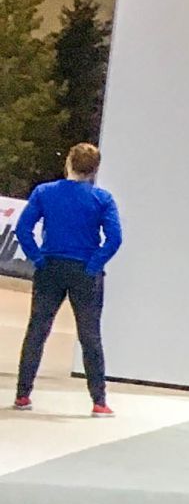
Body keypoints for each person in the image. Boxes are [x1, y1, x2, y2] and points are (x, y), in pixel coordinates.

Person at [15, 142, 123, 417]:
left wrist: (38, 259)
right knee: (90, 336)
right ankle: (99, 401)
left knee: (37, 331)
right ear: (95, 169)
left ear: (69, 163)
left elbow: (24, 228)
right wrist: (94, 265)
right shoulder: (103, 198)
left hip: (50, 267)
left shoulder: (45, 192)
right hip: (85, 270)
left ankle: (23, 394)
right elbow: (114, 239)